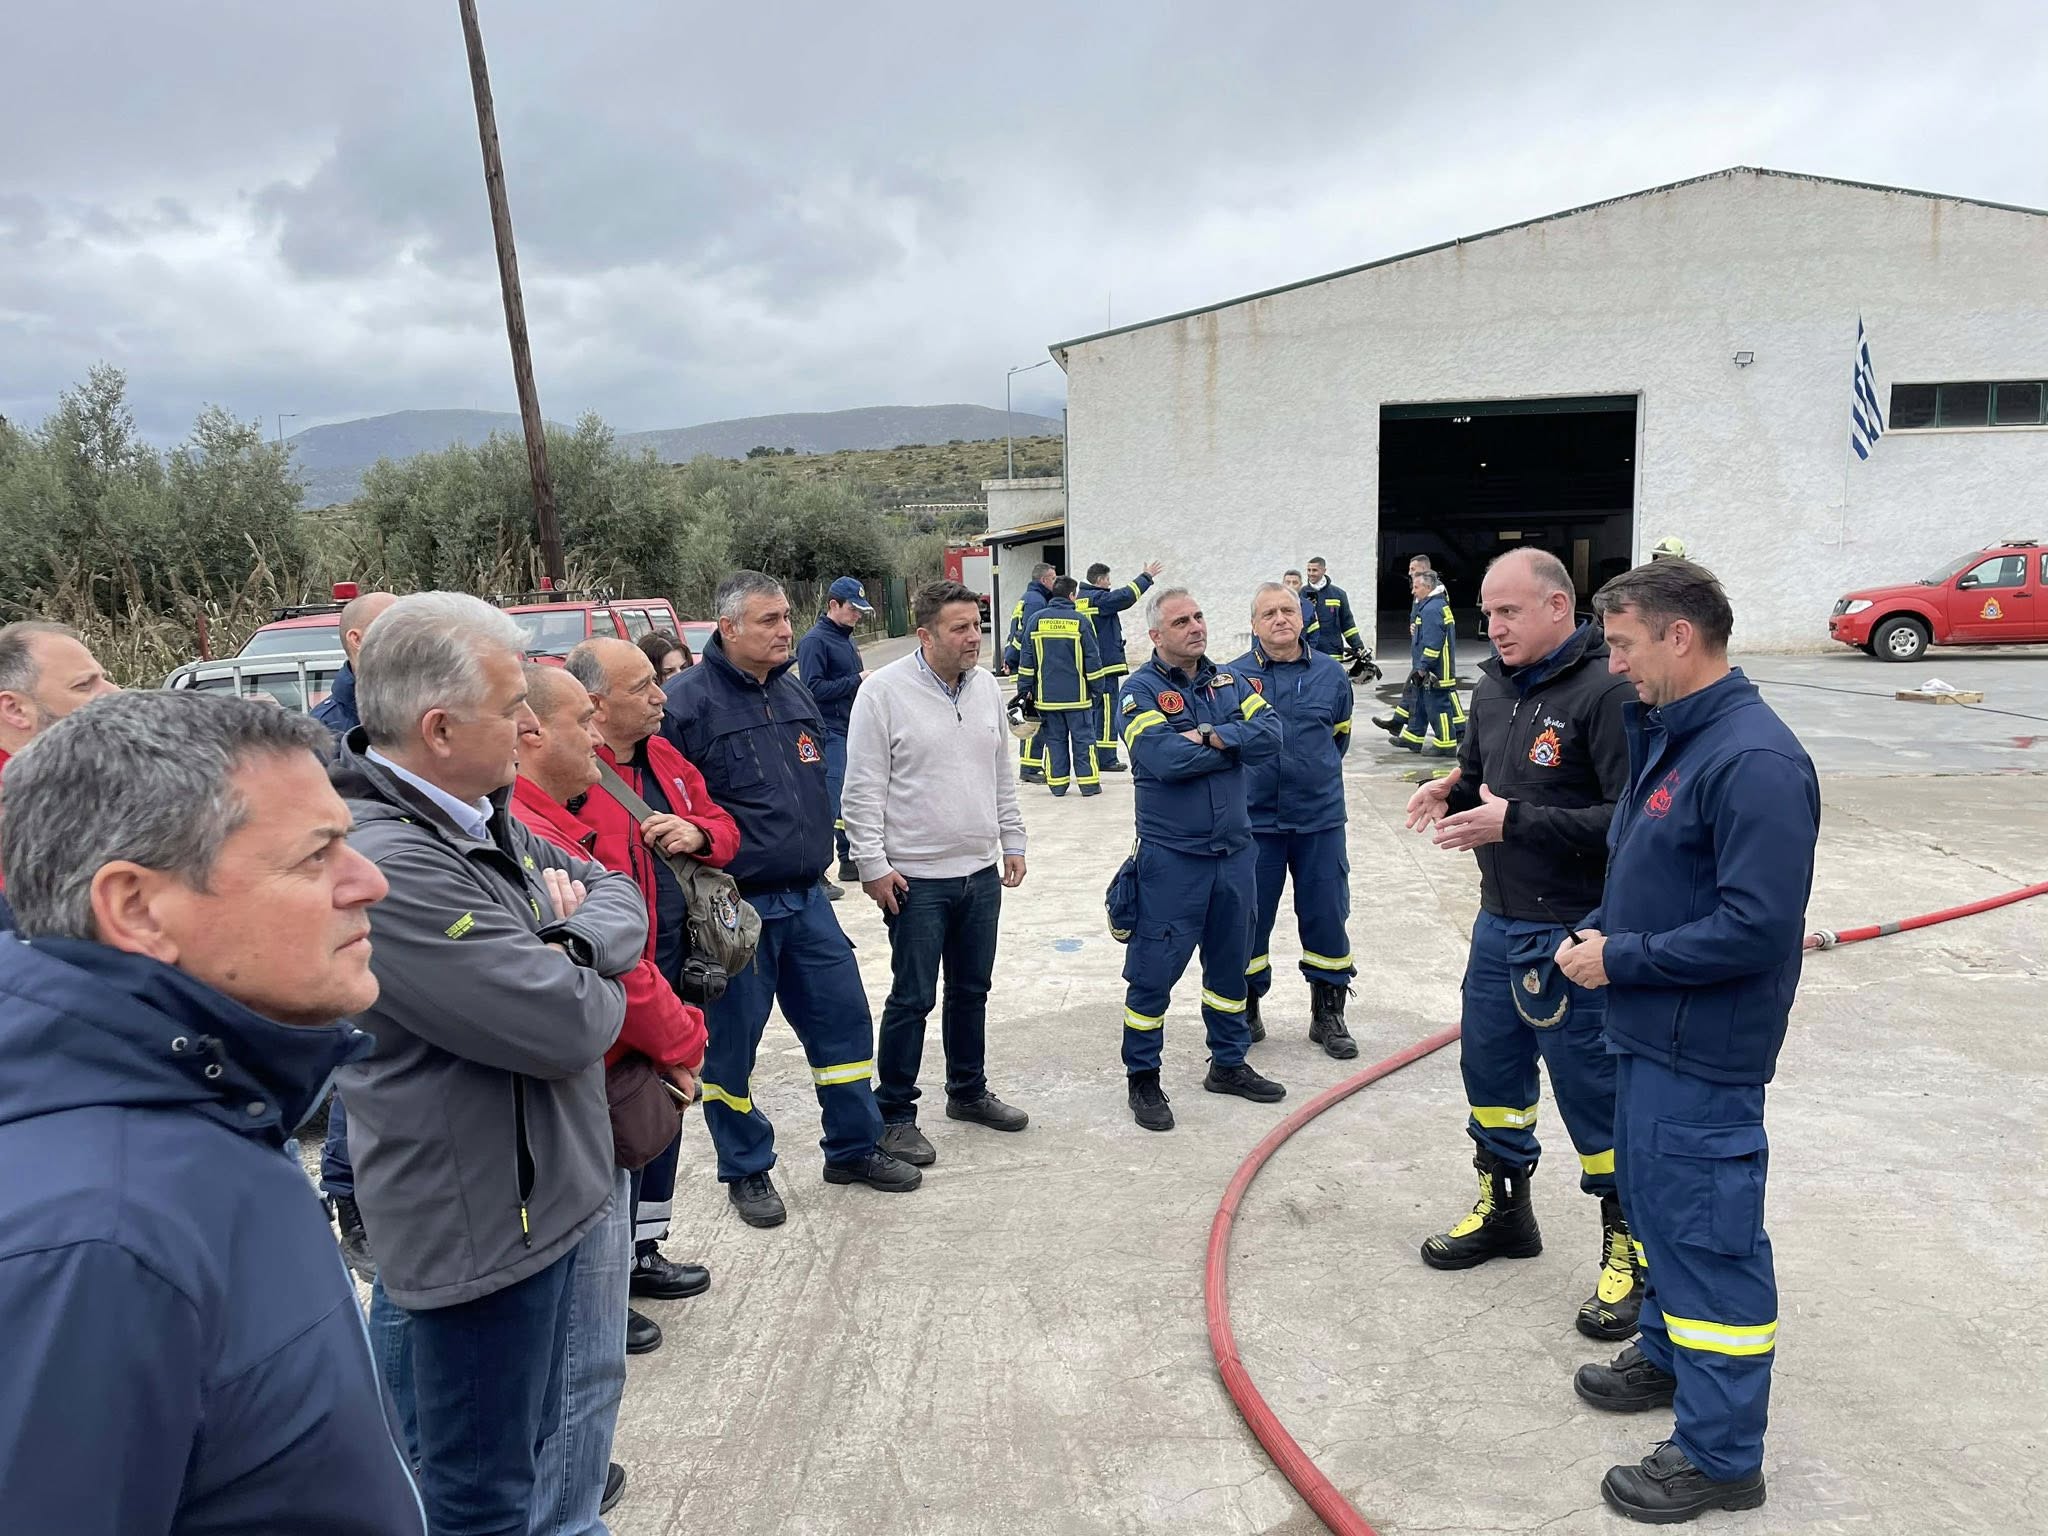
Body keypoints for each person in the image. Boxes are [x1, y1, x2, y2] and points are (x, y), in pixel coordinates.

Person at [0, 690, 425, 1534]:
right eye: (318, 856)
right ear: (137, 908)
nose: (370, 880)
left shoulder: (209, 1100)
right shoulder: (96, 1240)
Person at [332, 592, 647, 1536]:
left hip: (537, 1191)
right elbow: (569, 1026)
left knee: (532, 1447)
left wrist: (564, 939)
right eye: (512, 705)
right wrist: (571, 951)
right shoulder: (391, 860)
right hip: (478, 1232)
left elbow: (616, 890)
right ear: (437, 727)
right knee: (477, 1495)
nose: (529, 725)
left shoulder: (479, 811)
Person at [1559, 559, 1818, 1524]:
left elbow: (1756, 925)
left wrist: (1620, 959)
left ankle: (1720, 1457)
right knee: (1664, 1219)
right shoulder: (1678, 739)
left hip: (1702, 1047)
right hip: (1650, 1033)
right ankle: (1669, 1357)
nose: (1613, 664)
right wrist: (1596, 934)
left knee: (1711, 1245)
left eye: (1622, 645)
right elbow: (1656, 878)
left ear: (1678, 636)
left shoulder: (1753, 760)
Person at [1403, 547, 1641, 1342]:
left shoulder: (1609, 692)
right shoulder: (1494, 687)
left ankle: (1630, 1249)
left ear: (1558, 609)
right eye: (1488, 612)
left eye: (1509, 611)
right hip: (1498, 921)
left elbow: (1632, 824)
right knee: (1493, 1077)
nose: (1493, 626)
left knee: (1595, 1096)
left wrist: (1519, 822)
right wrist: (1451, 786)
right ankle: (1507, 1213)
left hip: (1573, 931)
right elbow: (1484, 777)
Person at [510, 662, 710, 1528]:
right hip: (582, 1089)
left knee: (578, 1348)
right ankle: (563, 1502)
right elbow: (601, 967)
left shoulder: (582, 802)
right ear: (527, 733)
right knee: (580, 1352)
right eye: (581, 717)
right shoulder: (519, 827)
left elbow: (616, 919)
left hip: (619, 1050)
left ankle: (565, 1481)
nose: (598, 735)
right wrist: (680, 1040)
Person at [662, 571, 919, 1228]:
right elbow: (669, 816)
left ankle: (853, 1147)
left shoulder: (793, 690)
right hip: (732, 911)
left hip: (808, 902)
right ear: (729, 628)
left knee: (843, 1027)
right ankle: (747, 1169)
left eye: (786, 617)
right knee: (729, 1052)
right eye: (770, 620)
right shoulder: (684, 706)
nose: (785, 631)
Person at [567, 636, 738, 1330]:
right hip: (613, 978)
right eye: (643, 686)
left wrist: (697, 835)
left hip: (675, 964)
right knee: (610, 1125)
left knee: (661, 1110)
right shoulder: (568, 773)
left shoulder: (666, 760)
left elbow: (726, 829)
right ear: (595, 705)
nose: (662, 695)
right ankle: (604, 1287)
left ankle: (644, 1252)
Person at [843, 579, 1030, 1167]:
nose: (974, 637)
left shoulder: (986, 691)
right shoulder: (883, 694)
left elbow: (1001, 769)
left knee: (972, 991)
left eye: (977, 625)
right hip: (914, 879)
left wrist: (1012, 839)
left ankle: (968, 1092)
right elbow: (862, 790)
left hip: (979, 873)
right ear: (925, 635)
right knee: (912, 997)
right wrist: (872, 866)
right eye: (960, 629)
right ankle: (895, 1113)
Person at [1116, 587, 1286, 1131]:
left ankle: (1229, 1063)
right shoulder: (1136, 690)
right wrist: (1230, 745)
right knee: (1152, 974)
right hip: (1173, 861)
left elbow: (1273, 734)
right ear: (1156, 636)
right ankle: (1143, 1078)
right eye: (1181, 621)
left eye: (1198, 616)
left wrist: (1211, 734)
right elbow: (1164, 758)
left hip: (1235, 855)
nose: (1195, 627)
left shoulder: (1228, 682)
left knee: (1229, 965)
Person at [307, 588, 397, 1277]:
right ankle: (349, 1201)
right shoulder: (328, 729)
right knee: (359, 1063)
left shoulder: (403, 712)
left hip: (410, 909)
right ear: (359, 643)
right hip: (353, 914)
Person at [1231, 582, 1357, 1060]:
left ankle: (1328, 1014)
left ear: (1301, 618)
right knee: (1248, 920)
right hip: (1254, 824)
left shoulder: (1331, 675)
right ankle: (1246, 1010)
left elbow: (1338, 737)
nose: (1280, 618)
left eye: (1288, 610)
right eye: (1269, 613)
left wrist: (1310, 773)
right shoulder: (1232, 677)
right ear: (1254, 625)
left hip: (1319, 820)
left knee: (1327, 915)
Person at [0, 621, 121, 927]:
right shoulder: (17, 809)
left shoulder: (84, 773)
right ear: (14, 709)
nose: (115, 693)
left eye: (104, 679)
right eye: (84, 685)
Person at [796, 577, 872, 888]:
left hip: (850, 729)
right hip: (829, 732)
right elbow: (812, 688)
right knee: (827, 802)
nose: (857, 616)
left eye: (860, 611)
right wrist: (858, 679)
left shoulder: (845, 639)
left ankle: (848, 860)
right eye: (853, 609)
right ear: (833, 605)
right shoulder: (815, 642)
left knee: (848, 799)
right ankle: (815, 873)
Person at [1016, 575, 1104, 797]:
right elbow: (1092, 660)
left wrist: (1024, 691)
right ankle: (1089, 785)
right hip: (1079, 699)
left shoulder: (1035, 620)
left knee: (1054, 742)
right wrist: (1097, 689)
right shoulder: (1080, 621)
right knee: (1084, 741)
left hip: (1047, 700)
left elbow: (1027, 662)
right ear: (1072, 595)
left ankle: (1057, 786)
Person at [1075, 559, 1162, 772]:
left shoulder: (1080, 600)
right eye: (1108, 580)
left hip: (1087, 666)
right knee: (1106, 712)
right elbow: (1125, 596)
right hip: (1105, 666)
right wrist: (1146, 577)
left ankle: (1095, 754)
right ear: (1101, 580)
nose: (1109, 583)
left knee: (1094, 712)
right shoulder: (1099, 599)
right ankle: (1106, 758)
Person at [311, 589, 399, 737]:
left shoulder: (432, 708)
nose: (412, 637)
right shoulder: (322, 732)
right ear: (357, 639)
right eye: (397, 627)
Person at [999, 562, 1057, 783]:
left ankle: (1030, 766)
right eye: (1053, 577)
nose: (1056, 580)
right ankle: (1030, 768)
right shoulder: (1036, 601)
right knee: (1033, 716)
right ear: (1044, 580)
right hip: (1029, 668)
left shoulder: (1029, 597)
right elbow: (1030, 636)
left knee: (1033, 714)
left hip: (1021, 663)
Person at [1398, 568, 1465, 755]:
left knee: (1438, 707)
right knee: (1420, 704)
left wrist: (1423, 666)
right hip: (1433, 668)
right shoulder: (1434, 605)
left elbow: (1433, 643)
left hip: (1435, 671)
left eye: (1416, 587)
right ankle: (1413, 739)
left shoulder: (1432, 610)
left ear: (1427, 587)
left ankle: (1446, 744)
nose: (1413, 591)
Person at [1372, 560, 1436, 741]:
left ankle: (1457, 729)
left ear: (1424, 570)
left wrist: (1425, 661)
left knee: (1428, 696)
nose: (1409, 572)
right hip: (1419, 652)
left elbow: (1436, 627)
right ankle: (1401, 725)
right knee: (1413, 691)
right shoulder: (1419, 591)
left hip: (1427, 655)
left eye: (1413, 569)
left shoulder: (1434, 594)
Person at [1300, 556, 1363, 659]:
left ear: (1324, 570)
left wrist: (1358, 646)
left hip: (1333, 651)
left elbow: (1348, 624)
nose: (1311, 573)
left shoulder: (1338, 594)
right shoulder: (1301, 594)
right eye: (1309, 570)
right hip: (1309, 651)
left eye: (1314, 570)